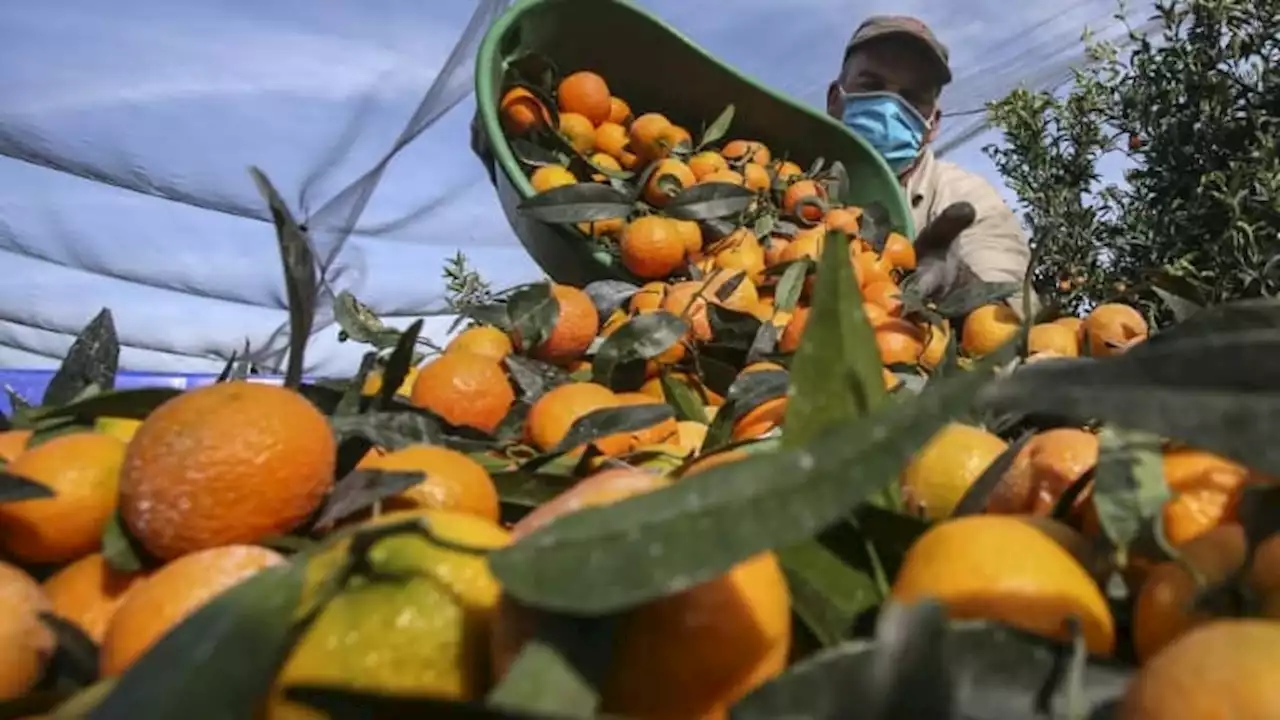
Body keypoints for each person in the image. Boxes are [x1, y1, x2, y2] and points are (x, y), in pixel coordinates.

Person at [829, 16, 1036, 316]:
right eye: (871, 85)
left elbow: (1009, 312)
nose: (889, 107)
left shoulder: (965, 197)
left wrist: (962, 286)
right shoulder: (784, 174)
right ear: (835, 99)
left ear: (933, 124)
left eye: (912, 97)